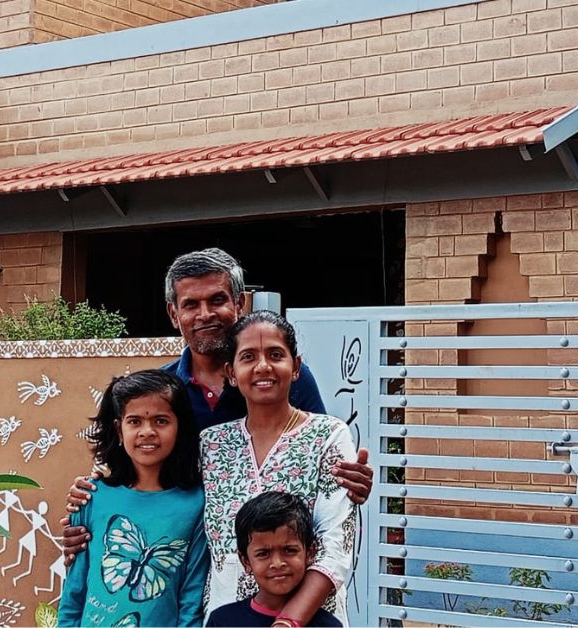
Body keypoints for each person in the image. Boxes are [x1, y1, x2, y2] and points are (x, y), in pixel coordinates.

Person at [63, 249, 373, 558]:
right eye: (190, 305)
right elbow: (122, 472)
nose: (205, 314)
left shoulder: (285, 380)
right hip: (178, 558)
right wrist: (87, 509)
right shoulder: (159, 395)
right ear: (173, 314)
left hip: (274, 564)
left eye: (216, 300)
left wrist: (348, 481)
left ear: (239, 303)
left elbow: (320, 462)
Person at [198, 311, 357, 624]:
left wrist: (289, 621)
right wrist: (91, 493)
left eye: (275, 354)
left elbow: (336, 543)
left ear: (295, 367)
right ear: (231, 372)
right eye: (248, 357)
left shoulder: (329, 436)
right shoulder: (211, 444)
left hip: (312, 618)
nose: (262, 367)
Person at [58, 370, 209, 627]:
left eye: (161, 421)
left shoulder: (196, 504)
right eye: (135, 421)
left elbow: (190, 599)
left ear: (179, 428)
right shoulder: (92, 497)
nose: (147, 431)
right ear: (119, 430)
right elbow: (74, 591)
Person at [206, 492, 343, 627]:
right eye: (263, 553)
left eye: (289, 550)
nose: (277, 563)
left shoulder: (328, 625)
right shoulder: (222, 621)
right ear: (246, 561)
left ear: (310, 553)